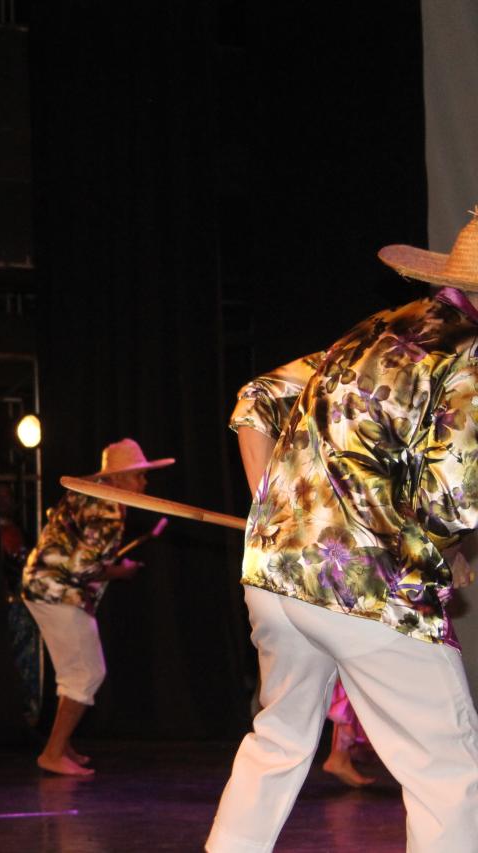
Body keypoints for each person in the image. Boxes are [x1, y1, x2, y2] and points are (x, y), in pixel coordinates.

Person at [206, 210, 478, 852]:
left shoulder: (371, 333)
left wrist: (275, 508)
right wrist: (450, 546)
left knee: (277, 739)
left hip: (276, 575)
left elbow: (256, 396)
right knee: (448, 771)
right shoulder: (468, 353)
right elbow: (454, 501)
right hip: (368, 588)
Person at [230, 352, 378, 787]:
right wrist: (269, 511)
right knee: (443, 743)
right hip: (315, 572)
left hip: (323, 572)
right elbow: (255, 399)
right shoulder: (374, 353)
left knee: (283, 735)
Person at [22, 438, 173, 776]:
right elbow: (80, 567)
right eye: (138, 476)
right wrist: (122, 572)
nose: (144, 482)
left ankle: (63, 745)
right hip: (55, 590)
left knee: (73, 671)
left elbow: (76, 554)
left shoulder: (90, 496)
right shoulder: (106, 507)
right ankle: (53, 751)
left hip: (45, 586)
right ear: (118, 479)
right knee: (86, 672)